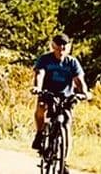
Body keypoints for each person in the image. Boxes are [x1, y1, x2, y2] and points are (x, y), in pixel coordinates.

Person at [31, 33, 91, 170]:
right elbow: (40, 74)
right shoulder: (45, 59)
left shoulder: (72, 62)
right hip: (48, 93)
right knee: (41, 107)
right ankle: (40, 134)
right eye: (58, 46)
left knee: (66, 124)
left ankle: (64, 161)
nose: (61, 49)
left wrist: (84, 93)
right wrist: (38, 88)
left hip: (66, 96)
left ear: (68, 47)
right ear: (53, 46)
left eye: (64, 46)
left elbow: (79, 80)